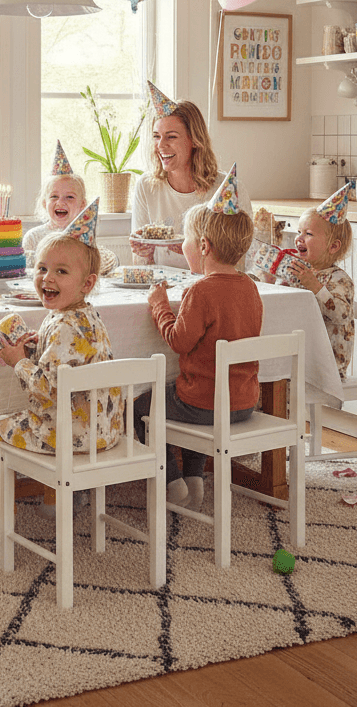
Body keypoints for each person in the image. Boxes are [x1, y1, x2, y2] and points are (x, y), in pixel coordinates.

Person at [0, 201, 118, 534]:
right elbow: (72, 362)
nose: (47, 278)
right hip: (104, 432)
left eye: (61, 271)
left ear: (87, 283)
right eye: (42, 269)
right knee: (47, 415)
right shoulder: (89, 316)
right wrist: (38, 347)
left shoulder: (60, 325)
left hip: (71, 436)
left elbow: (47, 388)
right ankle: (52, 504)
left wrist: (18, 361)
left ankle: (3, 518)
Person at [133, 166, 262, 511]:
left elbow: (178, 341)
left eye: (184, 243)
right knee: (185, 394)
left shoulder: (200, 291)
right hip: (244, 402)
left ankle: (171, 478)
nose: (181, 248)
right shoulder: (250, 287)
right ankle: (195, 476)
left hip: (205, 405)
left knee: (140, 407)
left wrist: (160, 306)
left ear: (203, 246)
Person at [129, 81, 220, 271]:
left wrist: (191, 250)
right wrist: (143, 253)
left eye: (171, 137)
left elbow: (237, 264)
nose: (160, 146)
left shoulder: (224, 189)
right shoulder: (146, 186)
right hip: (164, 288)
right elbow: (143, 267)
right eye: (156, 136)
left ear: (194, 140)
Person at [281, 185, 355, 380]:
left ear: (333, 246)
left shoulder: (339, 279)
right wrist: (278, 281)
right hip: (301, 353)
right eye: (299, 231)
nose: (299, 238)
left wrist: (314, 285)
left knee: (277, 372)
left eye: (309, 234)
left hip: (327, 361)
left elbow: (341, 314)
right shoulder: (302, 272)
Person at [23, 141, 117, 274]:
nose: (61, 202)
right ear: (44, 203)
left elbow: (103, 265)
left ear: (82, 205)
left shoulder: (83, 235)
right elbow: (27, 272)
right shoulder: (33, 237)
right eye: (54, 196)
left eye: (69, 197)